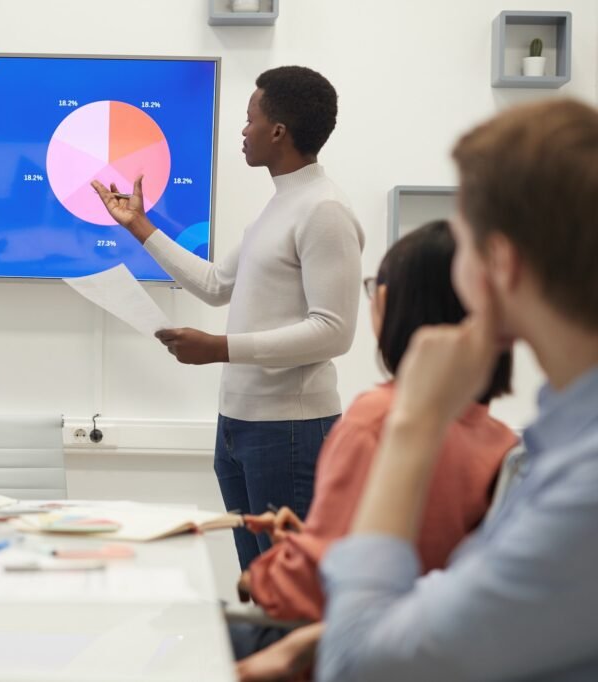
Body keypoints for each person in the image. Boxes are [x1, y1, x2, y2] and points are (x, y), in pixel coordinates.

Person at [317, 98, 598, 681]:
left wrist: (414, 424)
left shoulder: (584, 484)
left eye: (462, 240)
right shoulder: (561, 441)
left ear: (502, 263)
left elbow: (358, 668)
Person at [93, 66, 365, 569]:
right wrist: (138, 225)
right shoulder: (280, 206)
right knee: (259, 586)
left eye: (250, 120)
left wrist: (220, 348)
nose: (244, 131)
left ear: (278, 132)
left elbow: (334, 331)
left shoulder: (324, 210)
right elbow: (217, 285)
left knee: (291, 594)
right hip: (239, 426)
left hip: (291, 432)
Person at [232, 220, 517, 675]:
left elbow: (304, 592)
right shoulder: (503, 441)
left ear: (385, 302)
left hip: (336, 649)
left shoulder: (379, 420)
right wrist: (311, 540)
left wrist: (260, 573)